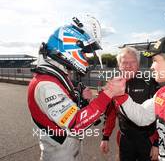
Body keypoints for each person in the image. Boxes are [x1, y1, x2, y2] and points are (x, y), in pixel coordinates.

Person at [27, 15, 125, 161]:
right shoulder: (46, 84)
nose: (85, 58)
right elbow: (75, 123)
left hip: (69, 147)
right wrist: (108, 93)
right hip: (59, 154)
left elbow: (70, 110)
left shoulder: (58, 75)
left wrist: (82, 99)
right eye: (84, 52)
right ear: (70, 47)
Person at [99, 46, 160, 161]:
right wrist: (105, 137)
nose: (128, 65)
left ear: (138, 64)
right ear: (119, 65)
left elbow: (160, 116)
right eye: (124, 62)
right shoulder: (114, 85)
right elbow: (111, 113)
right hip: (125, 140)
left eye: (132, 62)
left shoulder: (151, 82)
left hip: (148, 140)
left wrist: (157, 142)